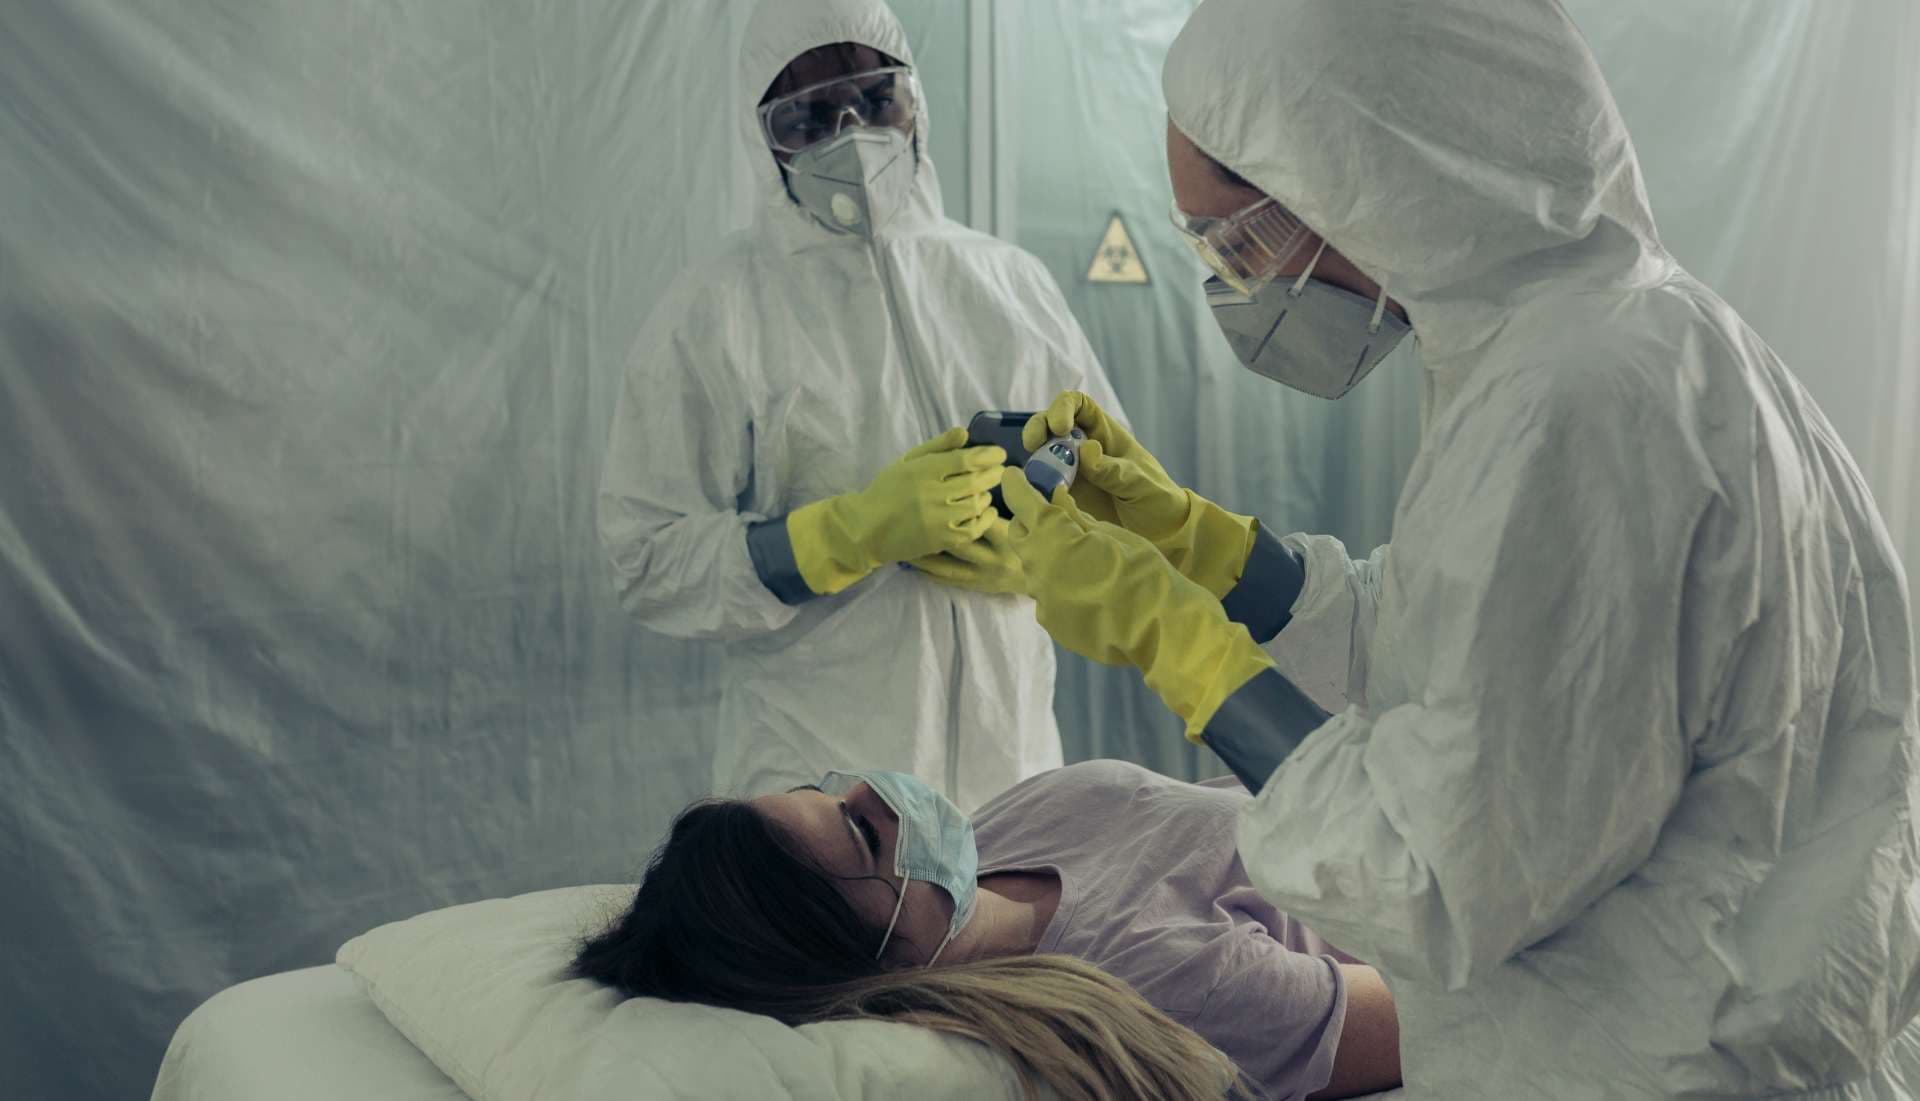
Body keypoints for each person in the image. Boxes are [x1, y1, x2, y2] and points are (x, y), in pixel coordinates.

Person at [998, 0, 1920, 1096]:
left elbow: (1433, 872)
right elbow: (1473, 648)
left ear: (1373, 166)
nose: (1240, 287)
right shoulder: (1621, 338)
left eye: (1245, 242)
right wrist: (1202, 547)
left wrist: (1176, 645)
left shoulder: (1574, 399)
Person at [596, 0, 1125, 809]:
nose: (852, 132)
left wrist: (1048, 555)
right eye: (808, 115)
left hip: (1014, 773)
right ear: (761, 137)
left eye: (876, 99)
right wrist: (835, 537)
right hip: (821, 797)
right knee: (833, 936)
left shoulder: (1011, 286)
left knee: (1016, 939)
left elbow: (1118, 484)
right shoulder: (716, 311)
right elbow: (646, 557)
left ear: (914, 103)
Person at [573, 760, 1403, 1101]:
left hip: (1359, 774)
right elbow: (1424, 1017)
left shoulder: (995, 843)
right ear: (870, 956)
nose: (878, 789)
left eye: (830, 791)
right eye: (863, 832)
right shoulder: (1165, 975)